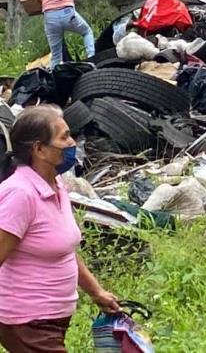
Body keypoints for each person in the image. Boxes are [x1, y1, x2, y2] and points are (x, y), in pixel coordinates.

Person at [0, 105, 120, 352]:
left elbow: (63, 249)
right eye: (64, 137)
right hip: (26, 321)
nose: (72, 143)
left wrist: (96, 292)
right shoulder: (20, 194)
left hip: (51, 320)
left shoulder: (55, 184)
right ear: (39, 149)